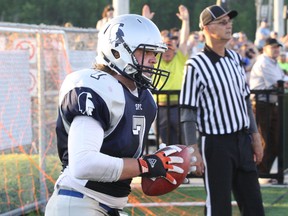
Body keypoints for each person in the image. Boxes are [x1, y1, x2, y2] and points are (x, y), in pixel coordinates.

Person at [45, 14, 195, 216]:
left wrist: (160, 166)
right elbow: (82, 163)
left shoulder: (145, 98)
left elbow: (121, 159)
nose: (153, 58)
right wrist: (146, 165)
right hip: (79, 202)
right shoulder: (96, 86)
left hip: (110, 205)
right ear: (117, 51)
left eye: (155, 52)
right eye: (146, 51)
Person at [179, 5, 265, 216]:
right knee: (218, 206)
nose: (229, 26)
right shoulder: (195, 65)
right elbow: (187, 111)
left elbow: (245, 100)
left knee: (254, 204)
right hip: (216, 144)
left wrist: (254, 136)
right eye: (222, 22)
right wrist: (193, 149)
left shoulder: (235, 58)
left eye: (229, 22)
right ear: (207, 28)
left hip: (242, 140)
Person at [144, 5, 190, 145]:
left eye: (170, 47)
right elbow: (147, 43)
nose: (168, 51)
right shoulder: (156, 60)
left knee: (182, 142)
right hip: (160, 107)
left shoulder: (180, 58)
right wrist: (146, 21)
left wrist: (186, 21)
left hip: (177, 106)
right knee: (164, 143)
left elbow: (184, 40)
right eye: (164, 48)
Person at [250, 38, 288, 174]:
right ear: (265, 48)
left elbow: (283, 80)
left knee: (275, 140)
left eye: (277, 47)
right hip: (261, 105)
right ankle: (260, 172)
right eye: (273, 47)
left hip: (271, 104)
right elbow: (279, 83)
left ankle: (264, 171)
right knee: (264, 139)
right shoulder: (264, 62)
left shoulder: (274, 63)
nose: (276, 50)